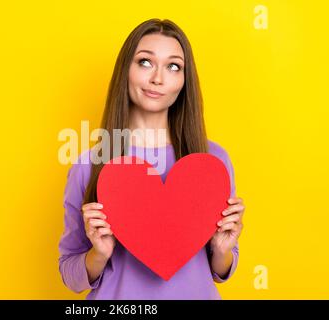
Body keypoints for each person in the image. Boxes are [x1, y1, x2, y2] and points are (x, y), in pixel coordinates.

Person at [58, 18, 245, 299]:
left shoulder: (212, 161)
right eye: (145, 62)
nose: (158, 78)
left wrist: (222, 249)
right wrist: (99, 253)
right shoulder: (89, 165)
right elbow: (70, 274)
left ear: (184, 81)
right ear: (126, 70)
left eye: (173, 66)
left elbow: (221, 269)